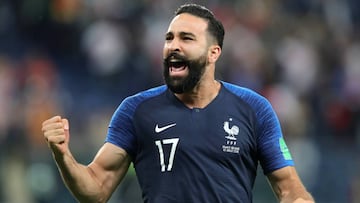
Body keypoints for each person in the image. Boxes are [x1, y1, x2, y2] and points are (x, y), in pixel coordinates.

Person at [42, 3, 315, 203]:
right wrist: (63, 156)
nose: (173, 46)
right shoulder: (137, 110)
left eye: (186, 38)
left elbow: (289, 188)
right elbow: (96, 189)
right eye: (169, 38)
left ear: (213, 53)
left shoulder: (254, 109)